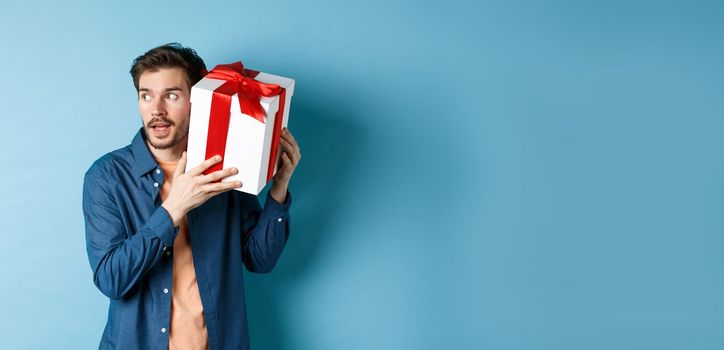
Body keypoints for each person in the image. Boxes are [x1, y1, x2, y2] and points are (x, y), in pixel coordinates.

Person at [82, 43, 301, 349]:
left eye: (171, 95)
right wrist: (173, 209)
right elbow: (111, 280)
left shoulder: (225, 168)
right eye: (146, 96)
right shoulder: (106, 177)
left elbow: (259, 259)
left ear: (196, 100)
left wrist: (278, 189)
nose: (156, 110)